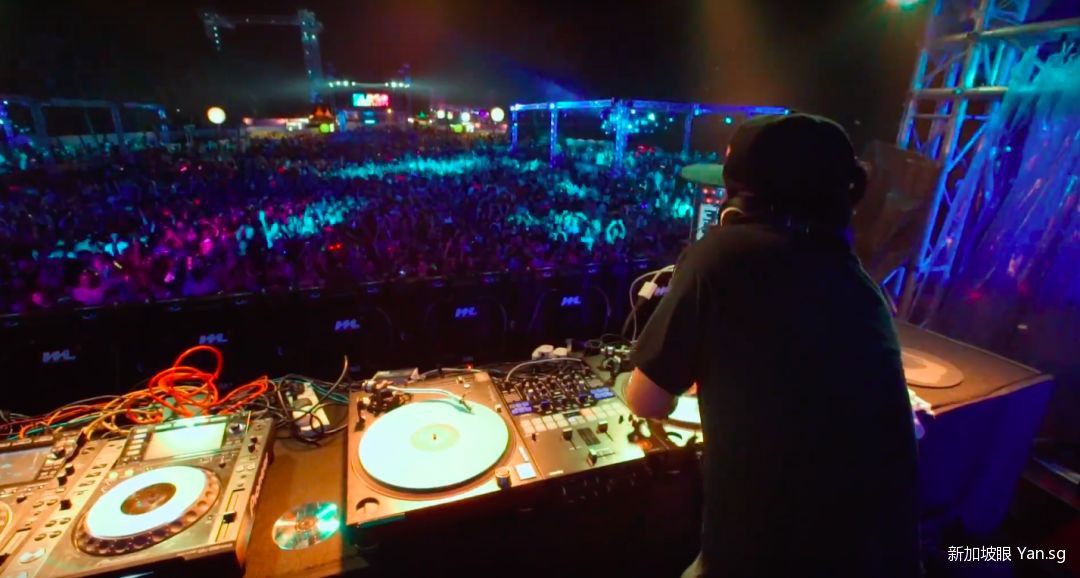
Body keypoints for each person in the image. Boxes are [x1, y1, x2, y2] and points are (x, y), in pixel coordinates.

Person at [626, 114, 920, 577]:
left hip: (769, 552)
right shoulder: (859, 281)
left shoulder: (721, 255)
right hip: (886, 554)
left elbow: (646, 401)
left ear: (742, 203)